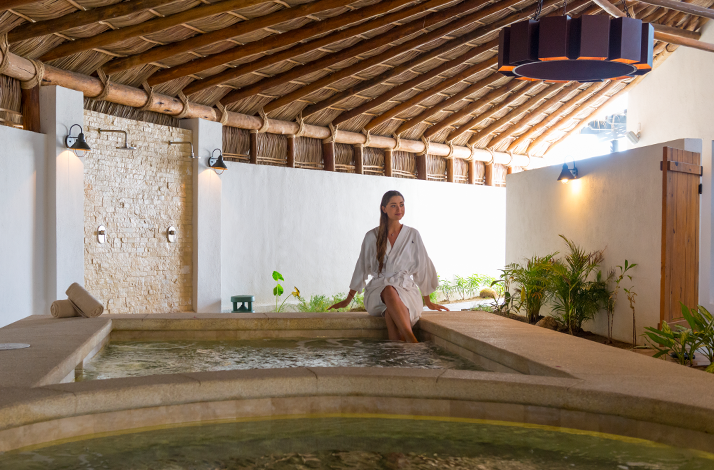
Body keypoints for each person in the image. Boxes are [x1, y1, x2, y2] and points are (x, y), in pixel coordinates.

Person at [328, 190, 449, 342]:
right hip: (378, 291)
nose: (399, 210)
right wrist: (348, 299)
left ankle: (397, 354)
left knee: (391, 315)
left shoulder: (413, 235)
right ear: (384, 208)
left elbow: (423, 266)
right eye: (393, 206)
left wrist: (428, 301)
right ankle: (412, 340)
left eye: (401, 205)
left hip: (406, 290)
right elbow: (361, 267)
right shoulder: (371, 236)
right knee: (389, 290)